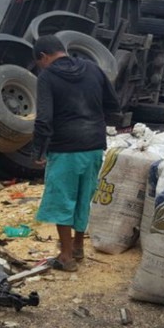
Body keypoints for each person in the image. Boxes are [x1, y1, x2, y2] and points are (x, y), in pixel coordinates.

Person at [30, 35, 121, 272]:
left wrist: (39, 150)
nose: (41, 66)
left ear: (43, 57)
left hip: (64, 148)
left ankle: (66, 256)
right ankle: (78, 246)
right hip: (93, 146)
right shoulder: (93, 69)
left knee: (63, 200)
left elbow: (44, 119)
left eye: (39, 62)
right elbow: (113, 104)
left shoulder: (47, 77)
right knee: (83, 197)